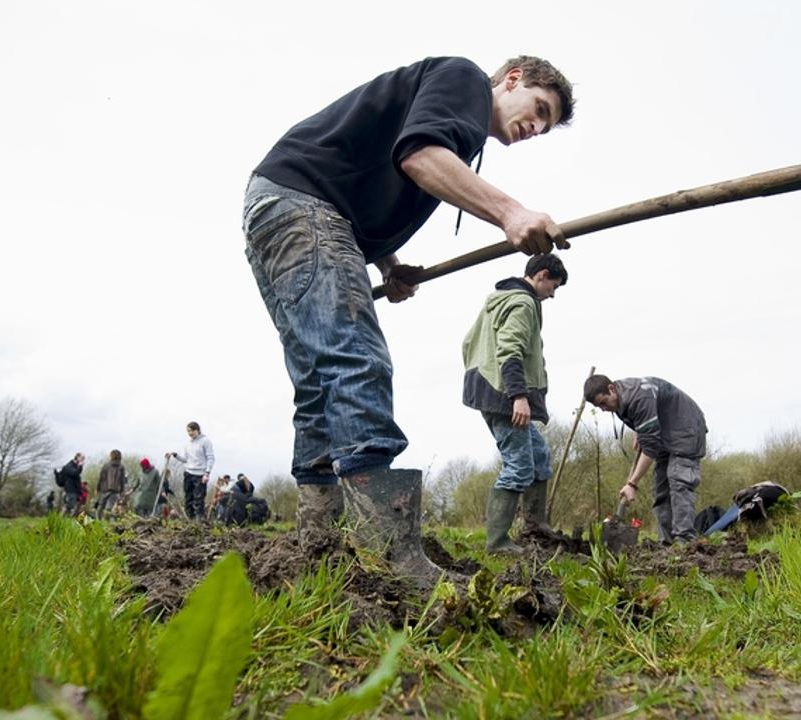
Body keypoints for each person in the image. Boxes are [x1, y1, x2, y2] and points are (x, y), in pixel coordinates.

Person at [242, 55, 575, 582]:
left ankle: (320, 545)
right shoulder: (465, 80)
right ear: (512, 80)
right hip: (304, 204)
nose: (536, 127)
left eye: (545, 125)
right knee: (358, 359)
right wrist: (511, 212)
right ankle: (389, 556)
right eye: (539, 109)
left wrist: (389, 266)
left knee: (319, 380)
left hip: (280, 207)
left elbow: (369, 189)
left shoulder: (457, 127)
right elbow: (418, 156)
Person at [461, 253, 567, 554]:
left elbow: (468, 344)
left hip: (492, 388)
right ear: (541, 275)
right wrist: (518, 396)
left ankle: (535, 526)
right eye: (553, 286)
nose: (552, 294)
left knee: (539, 455)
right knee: (519, 466)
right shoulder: (522, 303)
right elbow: (510, 350)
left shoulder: (497, 300)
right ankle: (497, 543)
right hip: (506, 395)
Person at [585, 375, 710, 545]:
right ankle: (667, 542)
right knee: (661, 488)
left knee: (679, 481)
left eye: (603, 403)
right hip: (665, 433)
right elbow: (648, 414)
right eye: (599, 406)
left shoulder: (638, 397)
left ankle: (684, 540)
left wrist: (632, 484)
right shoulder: (619, 399)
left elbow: (650, 449)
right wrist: (641, 431)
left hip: (686, 429)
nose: (603, 409)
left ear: (611, 389)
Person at [165, 421, 215, 520]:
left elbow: (211, 458)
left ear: (198, 430)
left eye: (192, 431)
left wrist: (207, 473)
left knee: (198, 498)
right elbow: (185, 459)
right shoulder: (187, 444)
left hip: (200, 474)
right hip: (188, 473)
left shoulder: (205, 441)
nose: (190, 433)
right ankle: (188, 519)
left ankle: (198, 520)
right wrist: (175, 455)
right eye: (188, 431)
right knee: (188, 498)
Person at [96, 449, 128, 519]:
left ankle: (98, 521)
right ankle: (110, 522)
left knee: (100, 507)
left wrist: (97, 488)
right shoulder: (121, 467)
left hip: (105, 489)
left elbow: (101, 477)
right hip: (115, 491)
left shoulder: (106, 465)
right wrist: (122, 491)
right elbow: (122, 480)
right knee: (111, 508)